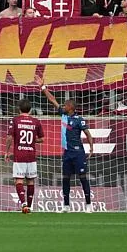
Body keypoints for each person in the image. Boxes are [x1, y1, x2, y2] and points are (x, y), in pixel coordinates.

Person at [41, 81, 95, 212]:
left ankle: (88, 205)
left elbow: (87, 133)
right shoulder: (64, 114)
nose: (63, 106)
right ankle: (66, 205)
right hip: (67, 153)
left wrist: (91, 148)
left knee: (82, 178)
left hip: (78, 153)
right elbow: (52, 99)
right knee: (66, 179)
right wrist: (43, 87)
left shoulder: (79, 119)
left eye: (65, 105)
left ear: (70, 107)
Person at [5, 98, 45, 213]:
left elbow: (9, 137)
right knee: (31, 180)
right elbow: (42, 139)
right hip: (31, 155)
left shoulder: (15, 120)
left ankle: (24, 204)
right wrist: (32, 140)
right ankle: (30, 206)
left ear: (19, 109)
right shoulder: (36, 121)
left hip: (19, 154)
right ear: (30, 109)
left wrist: (7, 152)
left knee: (19, 180)